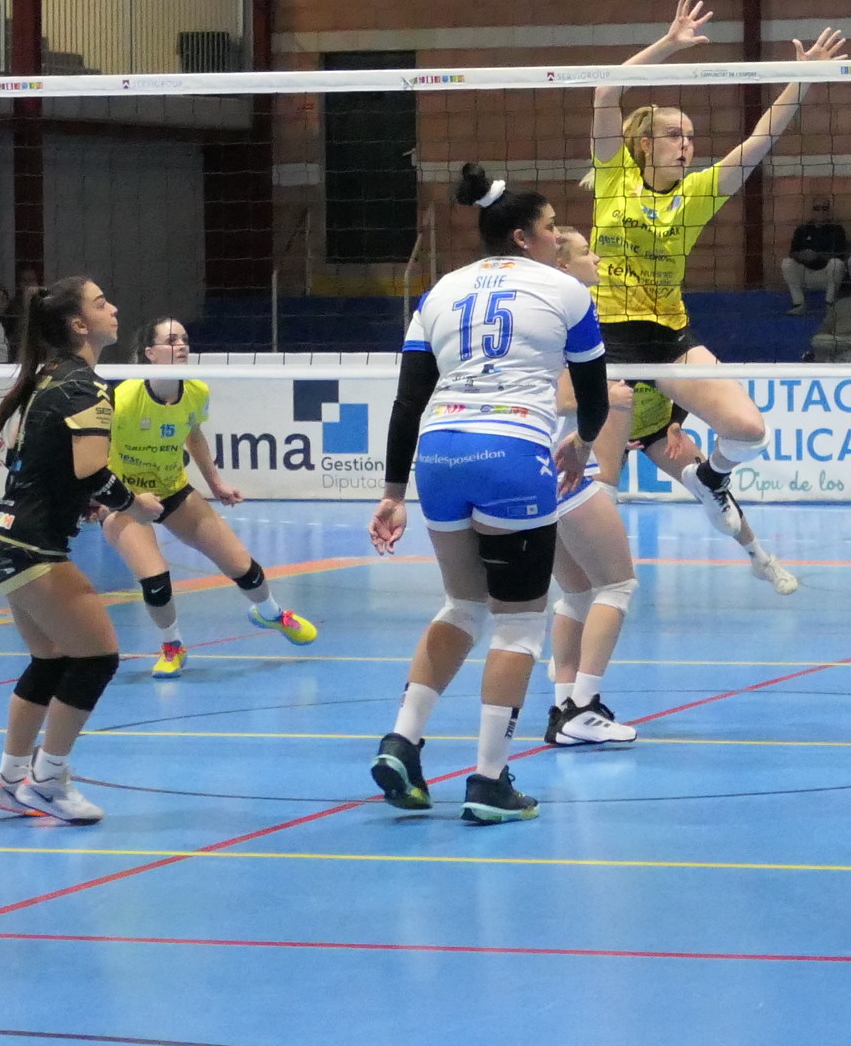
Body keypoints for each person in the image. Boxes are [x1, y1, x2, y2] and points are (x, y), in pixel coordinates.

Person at [369, 165, 611, 824]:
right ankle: (488, 780)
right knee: (520, 623)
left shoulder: (440, 291)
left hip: (439, 454)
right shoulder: (565, 290)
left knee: (462, 604)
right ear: (522, 237)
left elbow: (407, 401)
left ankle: (403, 740)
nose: (559, 236)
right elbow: (593, 395)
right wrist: (583, 443)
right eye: (551, 227)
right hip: (511, 452)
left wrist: (392, 493)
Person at [590, 0, 840, 595]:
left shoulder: (699, 192)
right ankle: (586, 593)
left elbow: (759, 140)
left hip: (666, 338)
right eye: (674, 135)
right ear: (644, 145)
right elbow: (604, 93)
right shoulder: (613, 176)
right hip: (604, 345)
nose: (686, 144)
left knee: (747, 431)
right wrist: (669, 43)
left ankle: (730, 508)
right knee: (595, 491)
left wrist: (802, 82)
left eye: (691, 137)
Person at [0, 277, 161, 825]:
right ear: (79, 324)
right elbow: (91, 470)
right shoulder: (85, 385)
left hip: (5, 537)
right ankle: (47, 781)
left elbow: (42, 462)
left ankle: (9, 781)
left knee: (51, 660)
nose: (115, 308)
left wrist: (76, 499)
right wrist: (133, 505)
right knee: (98, 658)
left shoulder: (49, 377)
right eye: (102, 303)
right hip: (30, 545)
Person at [102, 316, 319, 678]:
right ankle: (172, 646)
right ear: (150, 353)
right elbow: (94, 448)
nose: (182, 346)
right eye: (172, 340)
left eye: (185, 340)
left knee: (244, 568)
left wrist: (216, 483)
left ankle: (270, 613)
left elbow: (194, 434)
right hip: (127, 499)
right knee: (155, 581)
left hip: (173, 490)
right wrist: (103, 496)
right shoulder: (122, 398)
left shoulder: (196, 391)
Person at [541, 227, 646, 748]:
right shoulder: (565, 307)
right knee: (618, 585)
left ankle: (564, 707)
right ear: (562, 265)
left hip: (535, 470)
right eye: (586, 252)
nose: (598, 257)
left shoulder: (537, 307)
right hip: (563, 469)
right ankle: (584, 706)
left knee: (578, 591)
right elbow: (562, 395)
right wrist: (607, 396)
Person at [783, 200, 848, 313]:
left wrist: (817, 255)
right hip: (806, 275)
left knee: (836, 264)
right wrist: (801, 255)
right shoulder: (802, 229)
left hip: (826, 276)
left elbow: (841, 254)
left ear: (828, 212)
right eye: (817, 208)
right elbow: (792, 253)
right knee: (786, 263)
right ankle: (799, 303)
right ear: (812, 211)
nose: (820, 211)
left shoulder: (836, 229)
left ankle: (830, 303)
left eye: (824, 208)